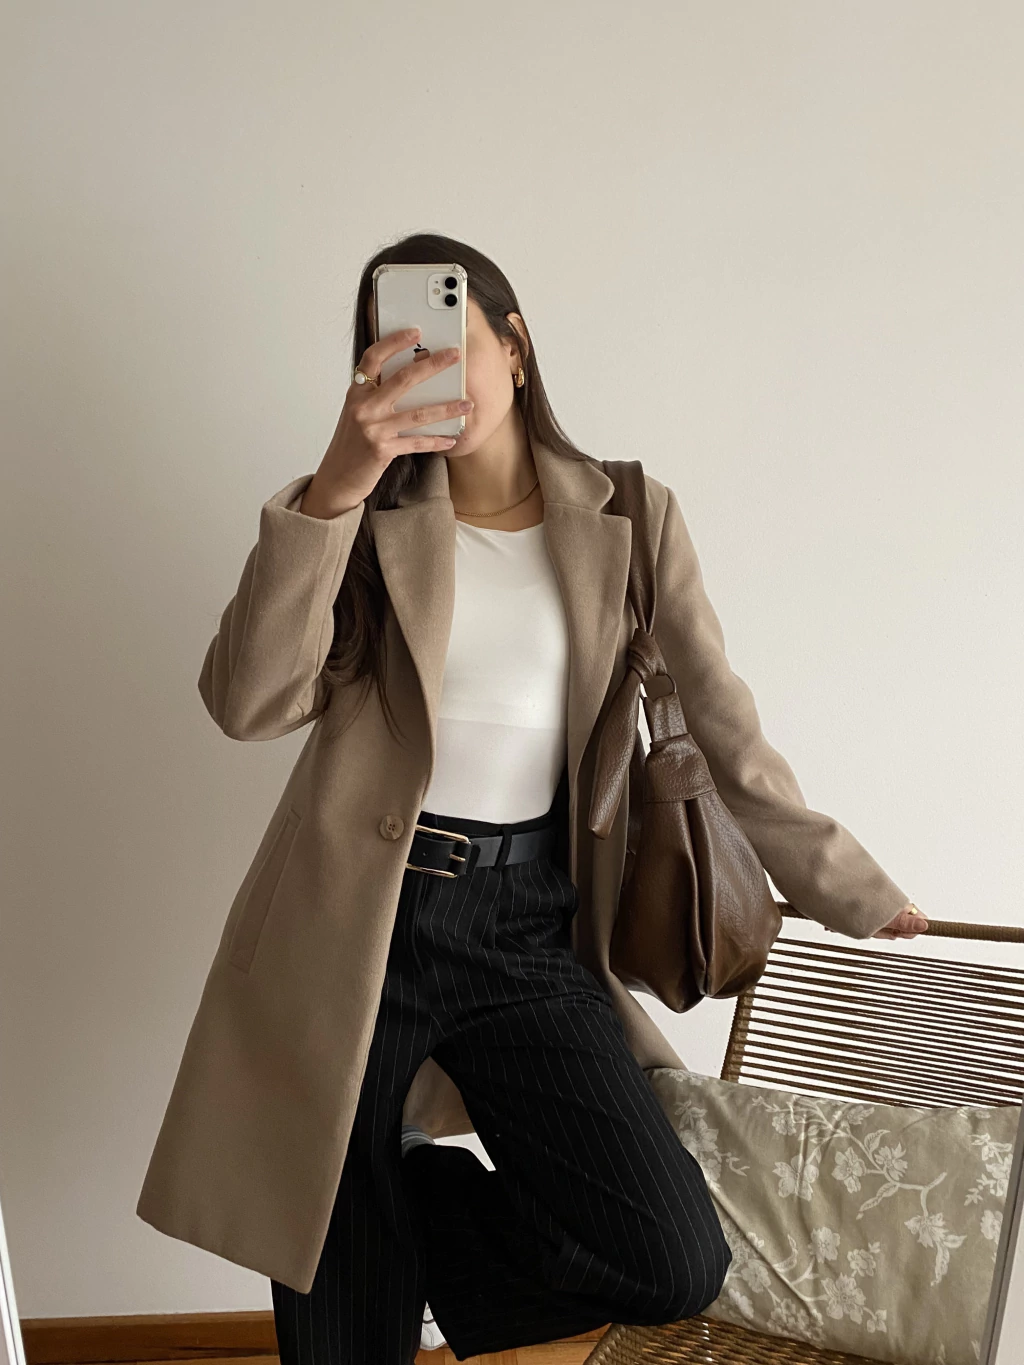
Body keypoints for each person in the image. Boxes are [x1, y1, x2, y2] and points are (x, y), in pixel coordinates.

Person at [136, 231, 927, 1365]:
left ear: (515, 346)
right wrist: (338, 484)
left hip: (529, 923)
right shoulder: (352, 521)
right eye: (395, 355)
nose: (429, 374)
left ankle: (413, 1198)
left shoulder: (631, 514)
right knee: (346, 1331)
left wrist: (846, 885)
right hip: (353, 923)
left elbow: (721, 727)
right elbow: (247, 704)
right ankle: (362, 1221)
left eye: (450, 343)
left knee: (668, 1254)